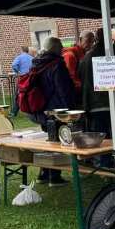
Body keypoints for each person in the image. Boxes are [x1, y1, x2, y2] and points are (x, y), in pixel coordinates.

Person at [27, 38, 77, 184]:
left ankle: (44, 173)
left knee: (49, 142)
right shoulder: (57, 64)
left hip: (41, 108)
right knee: (56, 143)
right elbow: (63, 88)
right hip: (56, 109)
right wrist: (70, 109)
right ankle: (54, 176)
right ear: (55, 48)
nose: (62, 48)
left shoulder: (36, 62)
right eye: (60, 46)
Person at [79, 28, 115, 140]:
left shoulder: (87, 57)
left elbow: (80, 75)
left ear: (96, 39)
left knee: (102, 142)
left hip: (95, 106)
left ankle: (107, 158)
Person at [63, 30, 94, 99]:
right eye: (88, 41)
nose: (91, 44)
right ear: (80, 39)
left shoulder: (84, 54)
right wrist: (84, 89)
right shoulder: (70, 55)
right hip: (75, 94)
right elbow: (71, 77)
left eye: (92, 42)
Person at [10, 46, 34, 116]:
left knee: (18, 95)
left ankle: (14, 112)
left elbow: (14, 65)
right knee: (31, 94)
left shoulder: (20, 57)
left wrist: (17, 72)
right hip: (31, 78)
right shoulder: (32, 58)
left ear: (22, 50)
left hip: (23, 79)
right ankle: (31, 110)